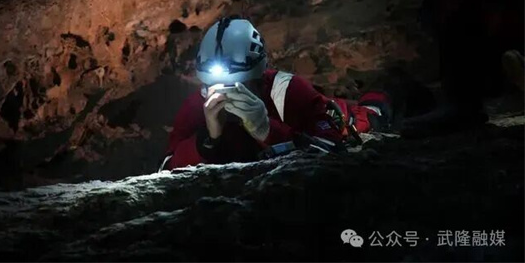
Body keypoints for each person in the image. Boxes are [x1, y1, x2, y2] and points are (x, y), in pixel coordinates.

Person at [159, 16, 396, 171]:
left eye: (239, 83)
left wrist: (265, 128)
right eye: (215, 83)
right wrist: (208, 139)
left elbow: (331, 151)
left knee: (369, 116)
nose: (228, 92)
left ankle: (382, 92)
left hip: (339, 116)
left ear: (258, 77)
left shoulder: (286, 89)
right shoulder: (198, 104)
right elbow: (167, 168)